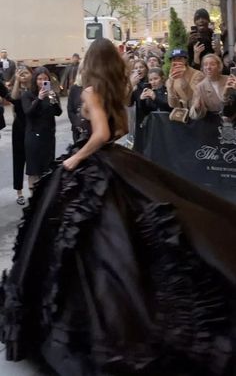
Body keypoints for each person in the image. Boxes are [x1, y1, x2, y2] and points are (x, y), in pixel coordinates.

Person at [0, 38, 236, 376]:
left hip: (93, 165)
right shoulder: (113, 90)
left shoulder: (92, 90)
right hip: (115, 160)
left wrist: (76, 159)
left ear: (91, 63)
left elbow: (99, 133)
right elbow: (119, 129)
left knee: (87, 241)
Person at [21, 66, 62, 190]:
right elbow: (28, 112)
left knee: (48, 167)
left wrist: (53, 100)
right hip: (34, 136)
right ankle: (34, 196)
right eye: (39, 79)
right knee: (34, 169)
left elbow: (58, 112)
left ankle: (45, 196)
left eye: (45, 79)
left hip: (48, 136)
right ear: (35, 80)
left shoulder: (51, 93)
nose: (42, 82)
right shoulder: (28, 95)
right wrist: (39, 99)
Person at [9, 66, 33, 204]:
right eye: (20, 73)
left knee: (32, 159)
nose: (23, 75)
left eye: (26, 73)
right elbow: (13, 99)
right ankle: (19, 192)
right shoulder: (17, 90)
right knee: (18, 160)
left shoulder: (34, 89)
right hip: (18, 128)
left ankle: (33, 188)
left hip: (32, 127)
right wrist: (17, 82)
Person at [190, 54, 228, 119]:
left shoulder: (228, 80)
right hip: (215, 120)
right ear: (202, 68)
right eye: (205, 65)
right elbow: (193, 115)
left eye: (212, 64)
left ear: (219, 67)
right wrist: (197, 108)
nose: (208, 67)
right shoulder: (200, 87)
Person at [67, 65, 83, 143]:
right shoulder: (74, 88)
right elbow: (70, 109)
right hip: (77, 130)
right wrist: (77, 124)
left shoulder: (97, 87)